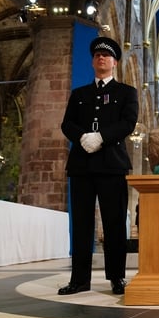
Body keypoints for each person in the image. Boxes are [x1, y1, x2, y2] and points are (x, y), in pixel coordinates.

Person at [59, 36, 138, 295]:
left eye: (106, 56)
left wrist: (101, 137)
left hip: (112, 164)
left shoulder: (126, 93)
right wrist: (82, 137)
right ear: (93, 62)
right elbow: (67, 123)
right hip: (82, 164)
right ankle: (80, 279)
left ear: (114, 62)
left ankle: (117, 277)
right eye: (97, 56)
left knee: (114, 224)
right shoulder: (79, 94)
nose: (101, 58)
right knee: (81, 224)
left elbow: (128, 123)